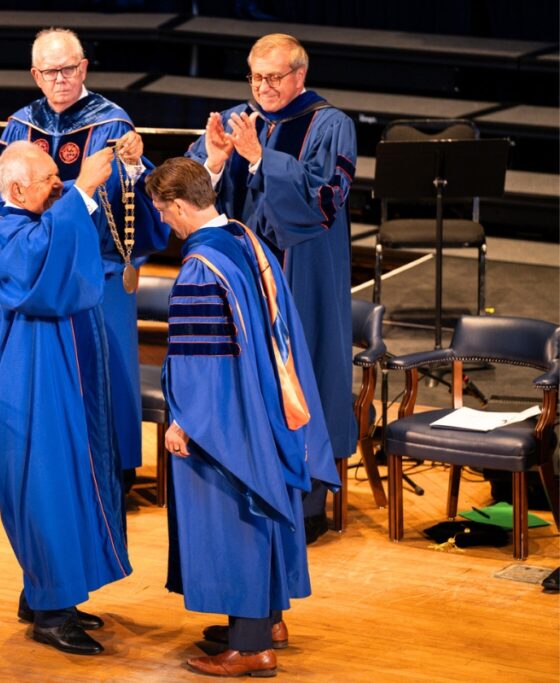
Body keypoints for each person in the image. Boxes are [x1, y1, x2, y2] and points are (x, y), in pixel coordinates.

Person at [147, 157, 339, 676]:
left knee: (235, 519)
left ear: (180, 206)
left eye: (163, 210)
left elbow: (204, 361)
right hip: (267, 399)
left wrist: (185, 421)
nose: (162, 220)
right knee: (262, 512)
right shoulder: (246, 240)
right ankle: (266, 621)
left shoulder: (199, 268)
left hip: (228, 419)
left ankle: (251, 646)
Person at [186, 33, 357, 541]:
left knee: (302, 376)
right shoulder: (236, 121)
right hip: (239, 281)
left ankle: (306, 508)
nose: (262, 87)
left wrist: (261, 160)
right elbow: (188, 196)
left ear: (299, 76)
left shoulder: (331, 125)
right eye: (255, 77)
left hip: (301, 279)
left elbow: (324, 201)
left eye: (273, 77)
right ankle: (249, 494)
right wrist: (215, 161)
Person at [0, 27, 169, 482]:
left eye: (68, 69)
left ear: (84, 68)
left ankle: (112, 472)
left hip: (98, 273)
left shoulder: (112, 124)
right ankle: (59, 468)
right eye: (50, 71)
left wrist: (134, 165)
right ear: (35, 75)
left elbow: (133, 205)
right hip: (41, 275)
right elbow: (4, 199)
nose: (60, 79)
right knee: (52, 377)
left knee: (107, 372)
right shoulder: (19, 126)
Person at [0, 140, 131, 656]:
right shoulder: (2, 230)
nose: (58, 185)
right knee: (47, 490)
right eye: (48, 179)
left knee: (67, 483)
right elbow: (37, 265)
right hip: (29, 387)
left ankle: (47, 594)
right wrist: (84, 189)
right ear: (17, 188)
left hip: (55, 378)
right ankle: (50, 613)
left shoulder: (32, 220)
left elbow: (64, 248)